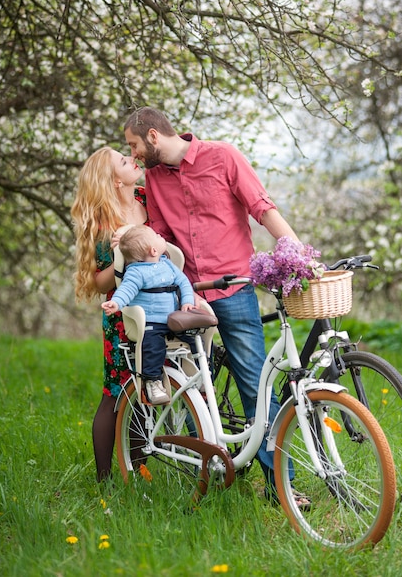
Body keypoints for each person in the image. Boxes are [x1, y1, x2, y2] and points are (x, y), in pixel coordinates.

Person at [123, 107, 309, 507]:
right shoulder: (154, 180)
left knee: (254, 384)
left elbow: (262, 207)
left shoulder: (222, 156)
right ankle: (207, 471)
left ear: (153, 136)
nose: (135, 155)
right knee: (192, 385)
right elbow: (161, 237)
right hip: (189, 295)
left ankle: (282, 486)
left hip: (235, 287)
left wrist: (296, 253)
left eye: (135, 146)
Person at [71, 146, 147, 482]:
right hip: (122, 312)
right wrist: (120, 256)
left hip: (158, 302)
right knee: (117, 391)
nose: (132, 160)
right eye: (123, 160)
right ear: (115, 180)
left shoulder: (146, 198)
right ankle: (104, 480)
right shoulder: (106, 223)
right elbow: (99, 281)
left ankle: (140, 470)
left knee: (149, 387)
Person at [101, 225, 196, 405]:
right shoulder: (136, 272)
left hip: (174, 319)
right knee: (152, 349)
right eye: (157, 236)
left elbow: (183, 282)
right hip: (151, 323)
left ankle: (201, 372)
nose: (161, 236)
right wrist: (116, 303)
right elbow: (126, 290)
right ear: (153, 250)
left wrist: (187, 301)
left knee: (196, 339)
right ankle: (153, 382)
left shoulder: (167, 264)